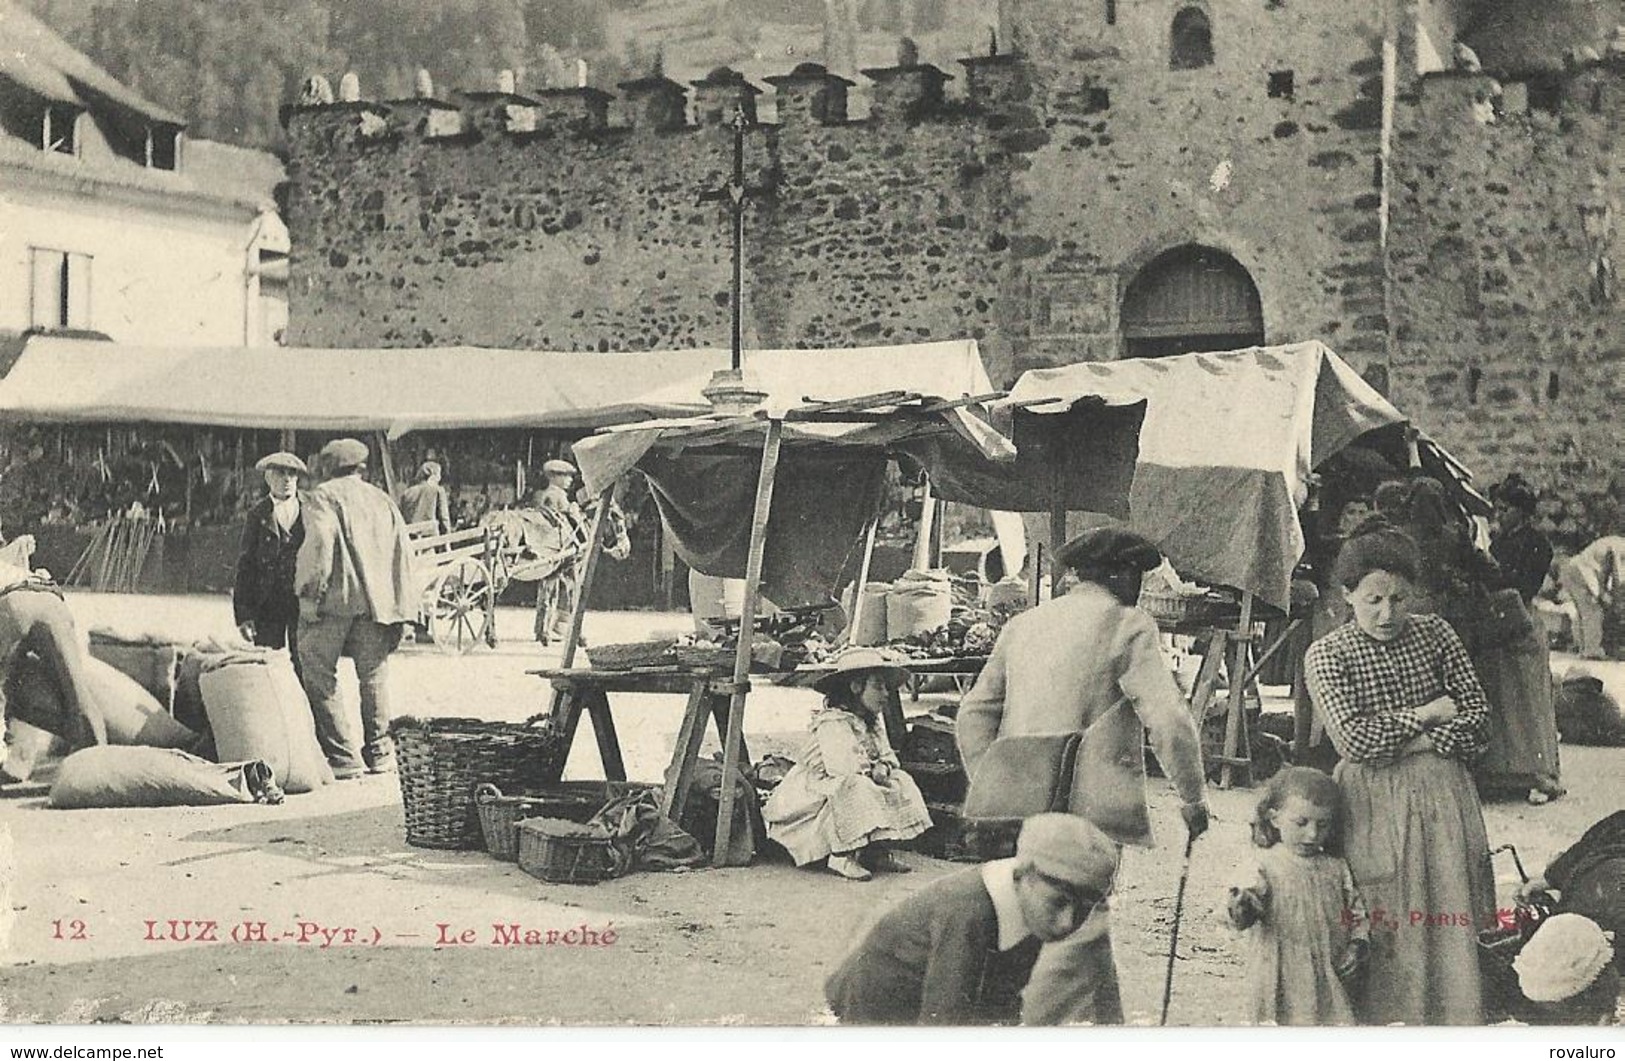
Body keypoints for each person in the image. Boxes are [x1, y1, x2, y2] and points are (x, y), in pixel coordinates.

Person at [957, 525, 1210, 1026]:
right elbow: (1168, 720)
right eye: (1138, 576)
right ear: (1122, 576)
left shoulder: (1023, 624)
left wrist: (993, 778)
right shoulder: (1127, 623)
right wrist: (1193, 796)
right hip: (1086, 809)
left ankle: (1103, 1027)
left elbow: (973, 715)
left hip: (1016, 806)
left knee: (1033, 917)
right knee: (1080, 923)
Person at [1303, 521, 1496, 1024]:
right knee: (1387, 917)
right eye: (1373, 600)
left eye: (1398, 599)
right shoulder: (1327, 654)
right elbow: (1353, 740)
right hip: (1371, 804)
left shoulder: (1436, 633)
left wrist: (1408, 740)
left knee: (1449, 914)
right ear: (1347, 596)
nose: (1387, 613)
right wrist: (1429, 716)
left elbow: (1477, 720)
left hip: (1445, 801)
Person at [824, 813, 1118, 1025]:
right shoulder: (968, 913)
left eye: (1084, 909)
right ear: (1020, 875)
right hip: (873, 1009)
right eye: (1059, 903)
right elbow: (945, 1022)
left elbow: (1005, 997)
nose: (1067, 922)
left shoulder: (1030, 903)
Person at [294, 439, 416, 780]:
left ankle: (343, 756)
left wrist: (308, 595)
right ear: (362, 467)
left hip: (336, 602)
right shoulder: (382, 499)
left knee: (318, 672)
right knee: (373, 678)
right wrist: (401, 608)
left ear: (327, 466)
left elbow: (319, 546)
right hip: (377, 606)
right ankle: (380, 753)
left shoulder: (322, 496)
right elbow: (402, 555)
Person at [763, 648, 932, 880]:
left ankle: (875, 850)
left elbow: (887, 755)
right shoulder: (832, 722)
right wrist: (873, 771)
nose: (885, 694)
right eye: (877, 687)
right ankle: (842, 854)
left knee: (901, 780)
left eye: (885, 687)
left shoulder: (870, 722)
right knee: (855, 786)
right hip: (815, 795)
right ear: (855, 687)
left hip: (858, 778)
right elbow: (842, 768)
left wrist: (884, 766)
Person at [1226, 766, 1369, 1026]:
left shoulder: (1336, 867)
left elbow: (1355, 911)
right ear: (1275, 818)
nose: (1312, 834)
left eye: (1322, 824)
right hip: (1281, 972)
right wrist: (1242, 907)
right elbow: (1240, 910)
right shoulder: (1264, 864)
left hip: (1328, 971)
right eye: (1301, 823)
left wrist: (1357, 944)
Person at [0, 548, 106, 780]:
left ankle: (14, 758)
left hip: (13, 603)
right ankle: (99, 769)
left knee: (5, 687)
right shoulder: (11, 563)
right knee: (81, 701)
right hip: (51, 598)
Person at [232, 452, 307, 662]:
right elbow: (246, 565)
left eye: (292, 474)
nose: (286, 479)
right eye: (280, 474)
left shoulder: (309, 510)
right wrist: (244, 615)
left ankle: (301, 697)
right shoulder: (258, 514)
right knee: (267, 661)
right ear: (268, 478)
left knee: (304, 661)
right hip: (267, 600)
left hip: (301, 600)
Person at [532, 459, 584, 646]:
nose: (569, 480)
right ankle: (569, 630)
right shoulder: (558, 496)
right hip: (561, 550)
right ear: (554, 477)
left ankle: (542, 629)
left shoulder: (542, 495)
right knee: (571, 588)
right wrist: (576, 510)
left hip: (546, 548)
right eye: (565, 476)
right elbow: (571, 522)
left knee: (547, 589)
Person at [1558, 534, 1625, 659]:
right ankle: (1592, 651)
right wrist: (1607, 596)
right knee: (1593, 611)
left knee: (1583, 612)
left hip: (1573, 569)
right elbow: (1618, 576)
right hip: (1581, 572)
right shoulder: (1620, 546)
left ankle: (1582, 647)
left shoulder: (1613, 542)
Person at [1490, 478, 1553, 606]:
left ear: (1520, 511)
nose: (1498, 515)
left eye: (1504, 510)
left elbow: (1527, 586)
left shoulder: (1537, 543)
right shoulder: (1498, 542)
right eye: (1497, 510)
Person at [398, 460, 451, 535]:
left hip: (410, 539)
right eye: (438, 475)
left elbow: (401, 517)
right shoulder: (438, 491)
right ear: (433, 475)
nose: (439, 478)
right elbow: (444, 519)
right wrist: (447, 539)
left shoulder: (407, 492)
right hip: (430, 539)